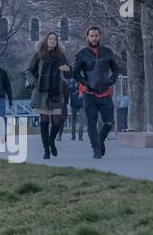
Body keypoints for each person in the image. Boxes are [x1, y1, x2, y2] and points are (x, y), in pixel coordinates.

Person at [71, 26, 120, 159]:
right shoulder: (81, 54)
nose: (94, 38)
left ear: (99, 36)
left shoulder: (107, 52)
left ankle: (100, 139)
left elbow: (116, 70)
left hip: (105, 93)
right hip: (89, 94)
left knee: (109, 122)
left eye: (96, 35)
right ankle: (96, 149)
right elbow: (74, 73)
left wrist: (111, 81)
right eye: (91, 36)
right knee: (91, 122)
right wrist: (85, 83)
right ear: (87, 37)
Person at [26, 32, 69, 159]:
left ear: (57, 42)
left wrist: (68, 70)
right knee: (44, 121)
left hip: (56, 92)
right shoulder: (39, 54)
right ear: (46, 41)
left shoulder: (61, 56)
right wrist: (34, 82)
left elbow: (68, 74)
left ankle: (51, 142)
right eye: (50, 39)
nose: (52, 41)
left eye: (54, 39)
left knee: (56, 122)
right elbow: (28, 71)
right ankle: (46, 150)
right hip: (42, 92)